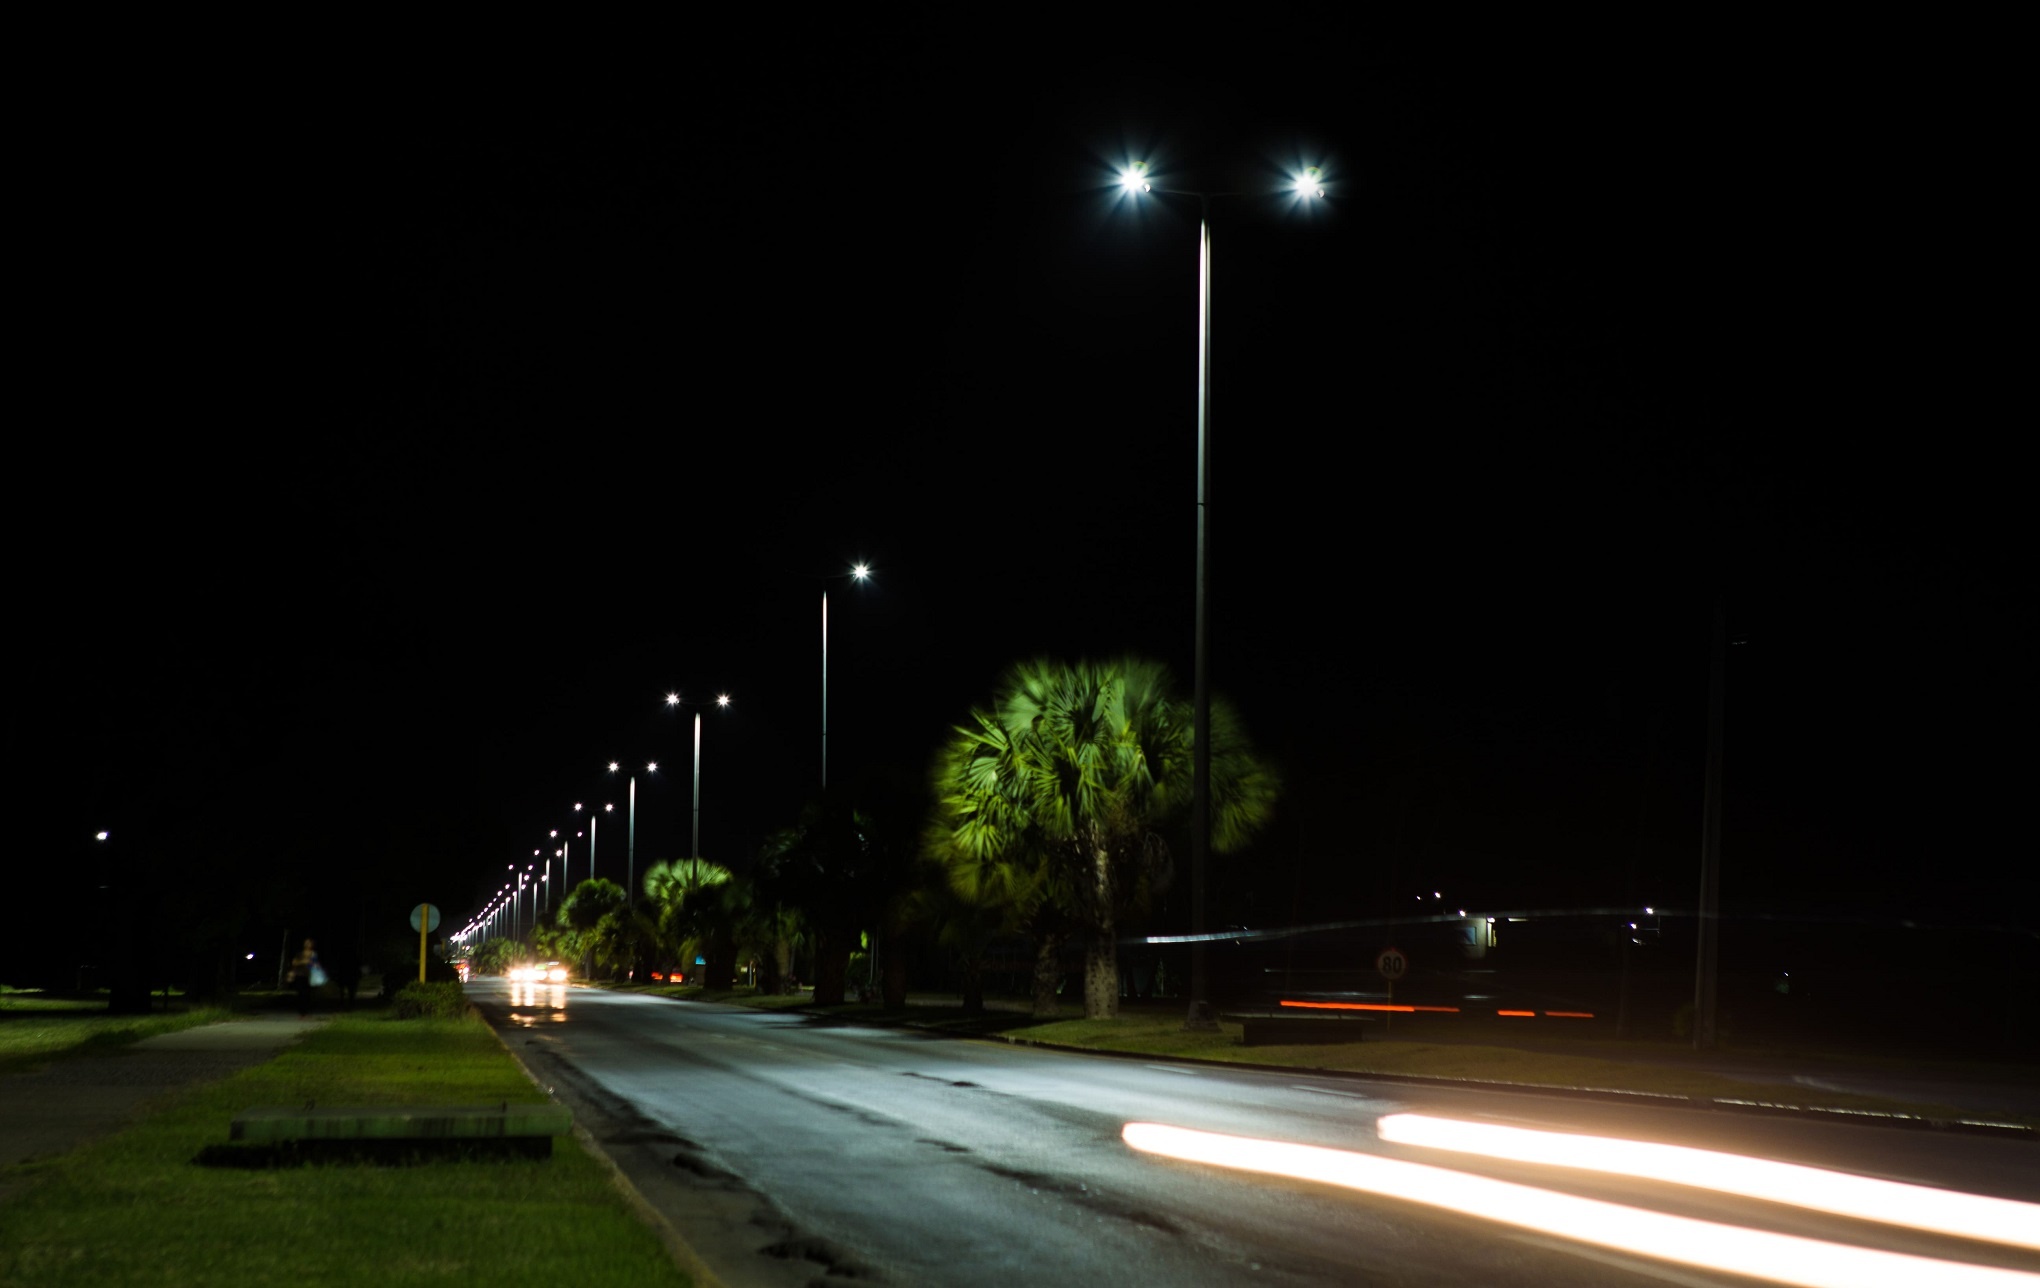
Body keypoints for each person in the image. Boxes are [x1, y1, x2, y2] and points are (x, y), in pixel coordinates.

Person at [288, 938, 323, 1017]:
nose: (307, 944)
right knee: (301, 993)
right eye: (306, 943)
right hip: (300, 975)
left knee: (308, 994)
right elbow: (294, 963)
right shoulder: (300, 954)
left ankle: (306, 1011)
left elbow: (316, 964)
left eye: (309, 943)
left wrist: (313, 965)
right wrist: (303, 962)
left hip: (310, 976)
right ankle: (301, 1012)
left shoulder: (314, 954)